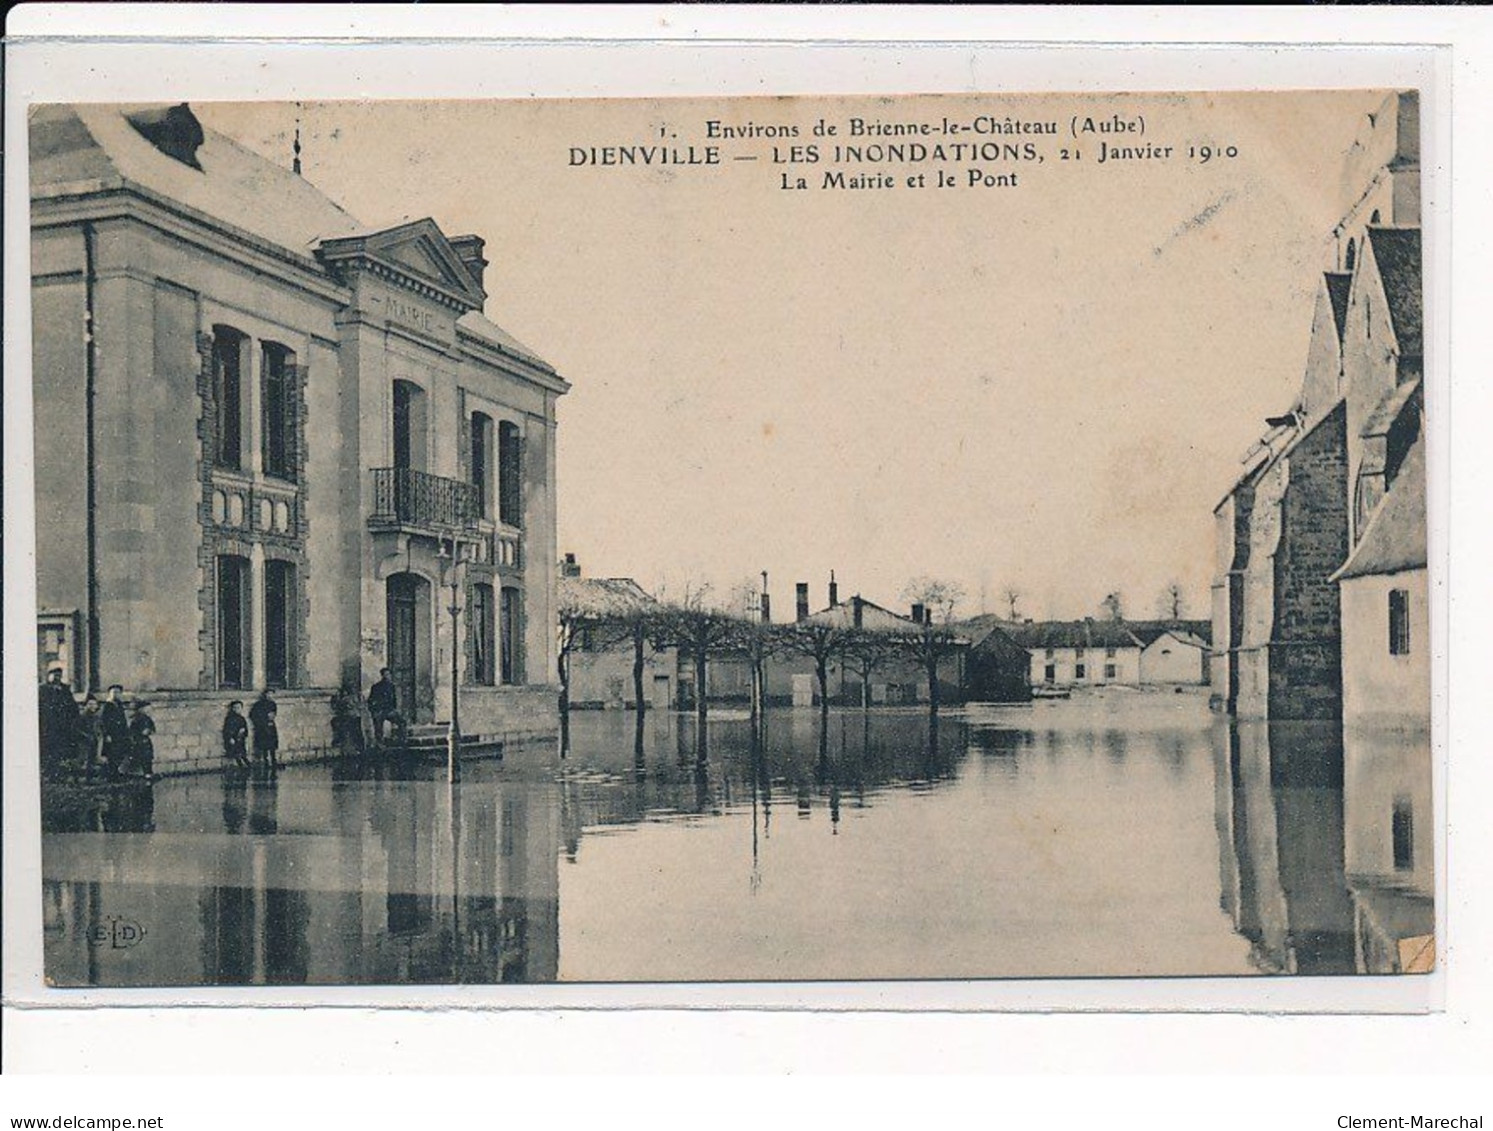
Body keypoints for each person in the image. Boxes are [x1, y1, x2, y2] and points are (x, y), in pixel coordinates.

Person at [38, 667, 79, 784]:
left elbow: (72, 706)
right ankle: (49, 773)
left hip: (63, 726)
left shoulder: (65, 689)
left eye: (59, 675)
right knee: (49, 750)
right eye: (54, 675)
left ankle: (59, 774)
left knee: (61, 750)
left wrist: (72, 719)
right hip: (48, 726)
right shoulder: (43, 689)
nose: (57, 677)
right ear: (49, 676)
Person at [100, 684, 131, 781]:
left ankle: (116, 773)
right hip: (111, 734)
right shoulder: (107, 706)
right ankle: (109, 775)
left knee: (119, 753)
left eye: (118, 692)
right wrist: (106, 734)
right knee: (110, 755)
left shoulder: (119, 705)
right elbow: (103, 721)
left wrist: (126, 732)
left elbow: (123, 720)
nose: (116, 694)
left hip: (120, 734)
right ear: (109, 694)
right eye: (114, 692)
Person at [367, 668, 399, 748]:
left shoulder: (392, 686)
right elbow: (370, 700)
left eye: (388, 674)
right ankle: (379, 743)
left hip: (389, 710)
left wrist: (394, 709)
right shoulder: (376, 687)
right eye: (386, 675)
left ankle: (399, 739)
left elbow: (394, 700)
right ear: (382, 676)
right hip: (379, 711)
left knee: (401, 722)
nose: (387, 676)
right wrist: (373, 710)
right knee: (378, 726)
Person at [330, 684, 365, 759]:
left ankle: (353, 750)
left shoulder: (347, 699)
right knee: (356, 733)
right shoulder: (355, 697)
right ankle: (358, 750)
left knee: (351, 733)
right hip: (354, 717)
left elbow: (339, 706)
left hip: (350, 717)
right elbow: (361, 706)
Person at [249, 689, 280, 769]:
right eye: (268, 694)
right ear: (264, 695)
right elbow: (253, 715)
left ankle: (273, 761)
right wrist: (263, 720)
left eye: (271, 694)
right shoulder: (258, 704)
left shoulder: (273, 704)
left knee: (272, 744)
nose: (270, 696)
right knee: (264, 745)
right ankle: (266, 761)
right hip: (262, 727)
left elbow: (274, 714)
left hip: (270, 726)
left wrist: (271, 718)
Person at [77, 694, 103, 783]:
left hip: (94, 741)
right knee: (85, 759)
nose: (92, 706)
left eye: (94, 704)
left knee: (92, 759)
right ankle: (83, 778)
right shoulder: (81, 717)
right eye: (90, 704)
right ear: (86, 705)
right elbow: (76, 729)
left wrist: (99, 735)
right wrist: (86, 736)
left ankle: (91, 778)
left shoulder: (96, 717)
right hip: (84, 742)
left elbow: (99, 728)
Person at [128, 700, 157, 780]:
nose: (149, 710)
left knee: (148, 757)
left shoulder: (148, 719)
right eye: (146, 709)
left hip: (146, 741)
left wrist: (149, 731)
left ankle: (148, 773)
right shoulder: (136, 719)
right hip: (139, 741)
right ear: (141, 709)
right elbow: (132, 731)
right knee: (142, 757)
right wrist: (141, 732)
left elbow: (153, 729)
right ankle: (144, 774)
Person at [222, 700, 249, 769]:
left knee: (243, 754)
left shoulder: (242, 718)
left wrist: (244, 732)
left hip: (241, 739)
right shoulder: (229, 719)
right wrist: (230, 738)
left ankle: (247, 765)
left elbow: (245, 728)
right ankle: (241, 767)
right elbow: (227, 730)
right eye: (235, 708)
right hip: (234, 740)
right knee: (236, 754)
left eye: (238, 708)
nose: (237, 709)